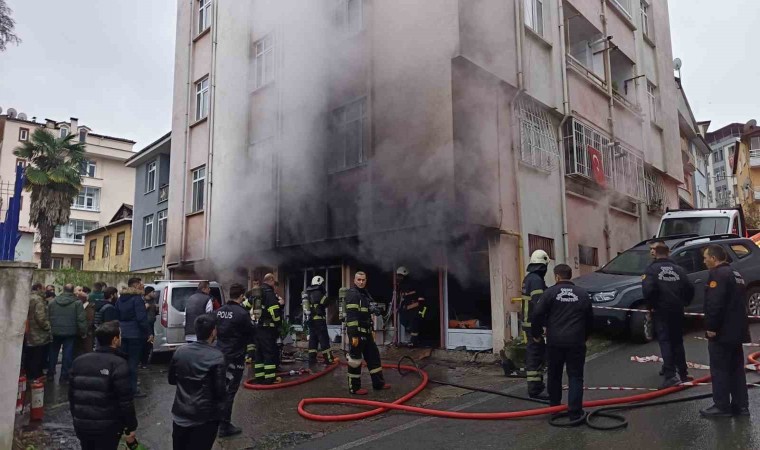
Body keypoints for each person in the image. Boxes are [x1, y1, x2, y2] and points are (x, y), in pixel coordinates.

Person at [531, 264, 594, 423]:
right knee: (575, 376)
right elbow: (590, 319)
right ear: (570, 275)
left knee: (554, 375)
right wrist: (585, 336)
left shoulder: (549, 293)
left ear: (557, 276)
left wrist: (536, 334)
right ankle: (575, 413)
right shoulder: (582, 294)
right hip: (576, 342)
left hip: (555, 342)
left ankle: (554, 409)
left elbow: (537, 314)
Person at [69, 321, 139, 450]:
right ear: (115, 340)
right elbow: (125, 401)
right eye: (120, 335)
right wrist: (131, 426)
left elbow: (72, 396)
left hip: (82, 425)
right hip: (108, 428)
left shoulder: (78, 362)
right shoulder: (118, 364)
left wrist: (77, 418)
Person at [700, 245, 751, 418]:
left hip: (722, 333)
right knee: (737, 370)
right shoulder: (736, 274)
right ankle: (741, 406)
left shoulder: (717, 274)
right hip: (737, 332)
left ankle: (721, 406)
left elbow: (715, 303)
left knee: (720, 369)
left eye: (706, 257)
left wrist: (711, 327)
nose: (704, 261)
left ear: (714, 258)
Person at [169, 314, 226, 450]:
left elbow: (172, 380)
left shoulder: (180, 351)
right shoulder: (216, 356)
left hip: (180, 414)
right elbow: (220, 392)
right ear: (213, 331)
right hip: (204, 418)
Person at [642, 241, 694, 389]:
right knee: (677, 341)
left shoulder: (651, 270)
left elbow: (648, 291)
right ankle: (683, 373)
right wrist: (684, 303)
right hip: (677, 310)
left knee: (665, 341)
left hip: (661, 311)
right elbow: (689, 288)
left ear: (656, 253)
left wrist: (651, 307)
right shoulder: (679, 269)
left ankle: (671, 375)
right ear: (668, 253)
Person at [215, 283, 256, 437]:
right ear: (241, 296)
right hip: (235, 357)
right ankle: (224, 426)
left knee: (219, 389)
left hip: (219, 355)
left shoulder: (219, 311)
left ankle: (216, 421)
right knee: (230, 391)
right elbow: (251, 333)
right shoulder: (242, 313)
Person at [345, 271, 391, 395]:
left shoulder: (364, 294)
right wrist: (353, 335)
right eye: (359, 280)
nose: (361, 282)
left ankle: (378, 383)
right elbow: (352, 317)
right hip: (357, 333)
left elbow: (366, 310)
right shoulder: (353, 294)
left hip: (367, 333)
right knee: (355, 361)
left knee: (374, 357)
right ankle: (354, 388)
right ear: (354, 280)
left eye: (363, 280)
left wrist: (373, 309)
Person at [117, 277, 154, 397]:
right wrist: (149, 333)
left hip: (122, 333)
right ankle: (132, 389)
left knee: (123, 361)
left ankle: (122, 387)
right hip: (135, 334)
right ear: (136, 285)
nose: (143, 286)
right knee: (133, 362)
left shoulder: (120, 299)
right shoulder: (137, 299)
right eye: (141, 284)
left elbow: (117, 315)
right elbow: (141, 318)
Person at [522, 249, 550, 399]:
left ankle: (537, 385)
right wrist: (541, 326)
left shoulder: (530, 278)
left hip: (529, 323)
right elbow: (539, 305)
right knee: (535, 355)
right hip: (533, 324)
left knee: (536, 354)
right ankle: (535, 389)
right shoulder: (536, 280)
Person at [48, 284, 87, 383]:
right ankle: (64, 376)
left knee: (53, 353)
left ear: (63, 290)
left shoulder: (53, 302)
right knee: (67, 354)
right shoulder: (77, 303)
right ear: (73, 291)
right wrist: (83, 331)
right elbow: (81, 319)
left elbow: (48, 316)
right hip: (70, 332)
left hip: (55, 331)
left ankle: (50, 373)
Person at [254, 273, 284, 384]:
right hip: (268, 328)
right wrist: (278, 323)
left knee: (259, 353)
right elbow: (274, 312)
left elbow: (248, 305)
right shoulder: (269, 293)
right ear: (271, 280)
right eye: (274, 281)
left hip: (258, 327)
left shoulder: (257, 292)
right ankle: (270, 378)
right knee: (269, 353)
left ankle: (259, 377)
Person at [25, 283, 51, 381]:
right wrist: (47, 326)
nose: (45, 291)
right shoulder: (39, 300)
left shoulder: (28, 297)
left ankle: (28, 375)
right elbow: (40, 318)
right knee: (38, 356)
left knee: (29, 355)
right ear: (39, 288)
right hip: (38, 334)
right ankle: (36, 376)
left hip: (29, 332)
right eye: (43, 288)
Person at [395, 266, 426, 348]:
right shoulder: (401, 285)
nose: (399, 277)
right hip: (406, 308)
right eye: (398, 275)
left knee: (414, 325)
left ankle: (414, 342)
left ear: (405, 275)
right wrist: (400, 307)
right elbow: (401, 296)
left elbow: (421, 297)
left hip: (416, 308)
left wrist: (420, 309)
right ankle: (413, 338)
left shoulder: (414, 283)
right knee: (404, 321)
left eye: (400, 276)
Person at [305, 276, 334, 364]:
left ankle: (312, 359)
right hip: (319, 321)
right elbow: (327, 303)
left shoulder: (307, 293)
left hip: (311, 320)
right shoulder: (319, 294)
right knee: (324, 340)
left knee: (313, 340)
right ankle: (328, 359)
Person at [75, 286, 96, 358]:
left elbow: (89, 322)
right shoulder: (81, 307)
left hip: (86, 334)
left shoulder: (89, 308)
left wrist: (83, 331)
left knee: (87, 353)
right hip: (80, 334)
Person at [141, 286, 158, 369]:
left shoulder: (153, 301)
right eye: (153, 292)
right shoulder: (142, 301)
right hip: (145, 325)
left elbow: (155, 312)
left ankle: (146, 361)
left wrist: (156, 309)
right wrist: (145, 307)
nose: (154, 293)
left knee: (150, 344)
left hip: (151, 324)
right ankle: (142, 362)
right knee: (144, 343)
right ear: (148, 293)